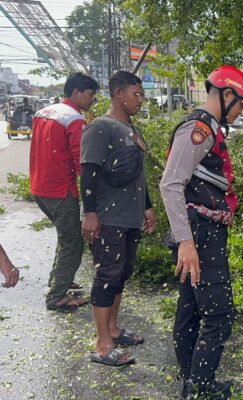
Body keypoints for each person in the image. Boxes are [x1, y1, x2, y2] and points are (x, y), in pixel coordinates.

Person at [159, 65, 243, 400]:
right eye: (241, 104)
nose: (241, 111)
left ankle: (190, 380)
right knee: (219, 315)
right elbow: (171, 184)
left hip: (200, 232)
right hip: (199, 234)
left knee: (190, 309)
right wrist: (186, 241)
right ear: (227, 95)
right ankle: (200, 388)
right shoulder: (198, 129)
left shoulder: (210, 129)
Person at [80, 71, 156, 367]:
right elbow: (88, 172)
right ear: (118, 94)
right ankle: (103, 345)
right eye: (136, 94)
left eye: (142, 95)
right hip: (108, 218)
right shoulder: (101, 128)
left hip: (129, 217)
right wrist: (90, 213)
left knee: (121, 274)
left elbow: (138, 173)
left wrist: (147, 206)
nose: (141, 100)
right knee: (106, 277)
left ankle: (113, 328)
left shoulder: (131, 128)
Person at [29, 72, 99, 311]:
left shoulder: (44, 112)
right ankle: (57, 296)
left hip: (40, 187)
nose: (92, 99)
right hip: (60, 190)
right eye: (90, 94)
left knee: (65, 236)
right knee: (73, 243)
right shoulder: (74, 119)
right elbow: (82, 162)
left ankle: (60, 279)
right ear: (76, 93)